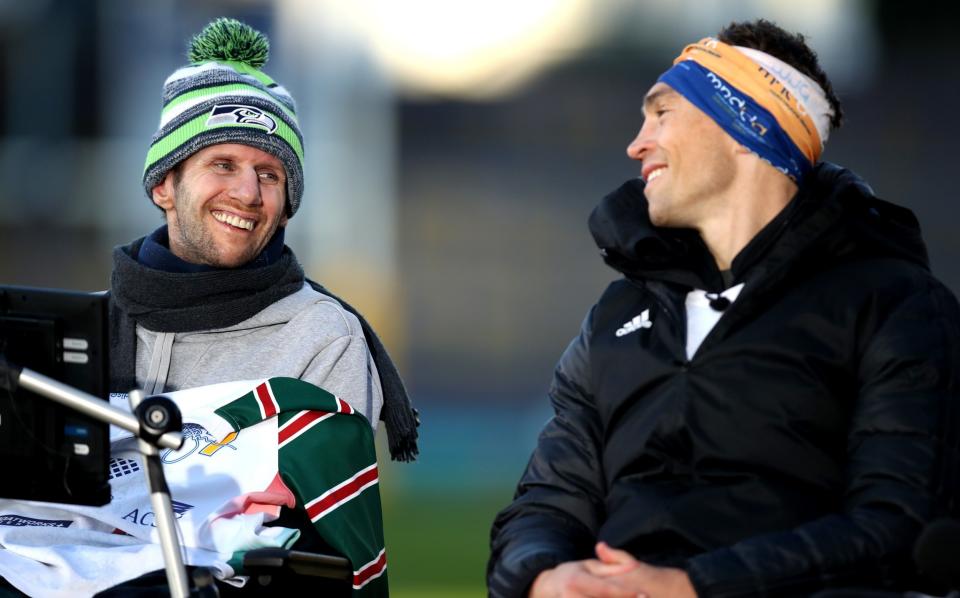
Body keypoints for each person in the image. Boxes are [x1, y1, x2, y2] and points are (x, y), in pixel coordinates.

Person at [488, 18, 960, 598]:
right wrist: (543, 576)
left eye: (662, 114)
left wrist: (694, 586)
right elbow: (548, 503)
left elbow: (896, 529)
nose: (637, 143)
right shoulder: (612, 320)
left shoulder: (894, 306)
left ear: (747, 124)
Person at [108, 17, 418, 462]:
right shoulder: (92, 329)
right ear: (164, 186)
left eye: (269, 175)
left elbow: (317, 525)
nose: (248, 193)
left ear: (287, 209)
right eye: (223, 165)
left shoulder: (323, 338)